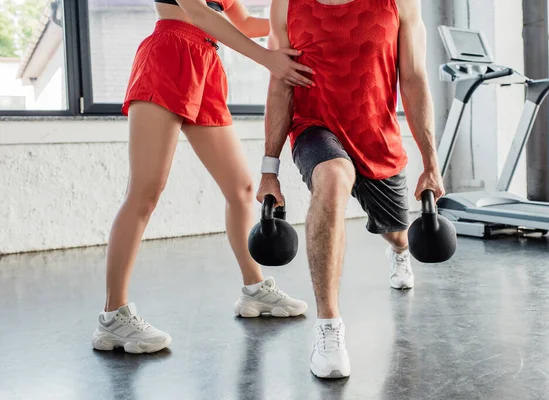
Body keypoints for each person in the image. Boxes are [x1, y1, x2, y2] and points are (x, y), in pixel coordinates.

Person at [92, 0, 313, 354]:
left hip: (205, 64)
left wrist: (303, 18)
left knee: (240, 188)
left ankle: (254, 290)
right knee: (145, 193)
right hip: (168, 54)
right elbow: (199, 13)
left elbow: (242, 22)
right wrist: (267, 58)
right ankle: (113, 317)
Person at [256, 0, 445, 378]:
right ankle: (329, 329)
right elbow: (281, 83)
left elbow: (413, 78)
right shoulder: (287, 6)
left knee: (397, 233)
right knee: (332, 176)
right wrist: (269, 169)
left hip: (377, 138)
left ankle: (399, 250)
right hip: (315, 127)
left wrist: (431, 164)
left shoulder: (400, 3)